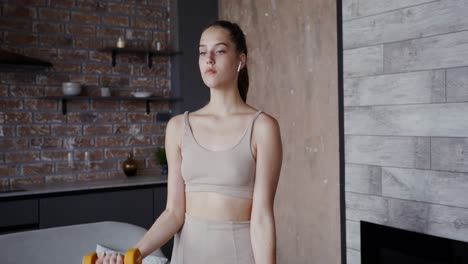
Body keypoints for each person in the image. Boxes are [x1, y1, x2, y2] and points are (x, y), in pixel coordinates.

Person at [97, 20, 282, 264]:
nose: (209, 59)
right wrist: (133, 255)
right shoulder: (177, 127)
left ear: (241, 60)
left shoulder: (263, 127)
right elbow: (174, 213)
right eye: (203, 52)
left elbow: (261, 218)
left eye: (220, 50)